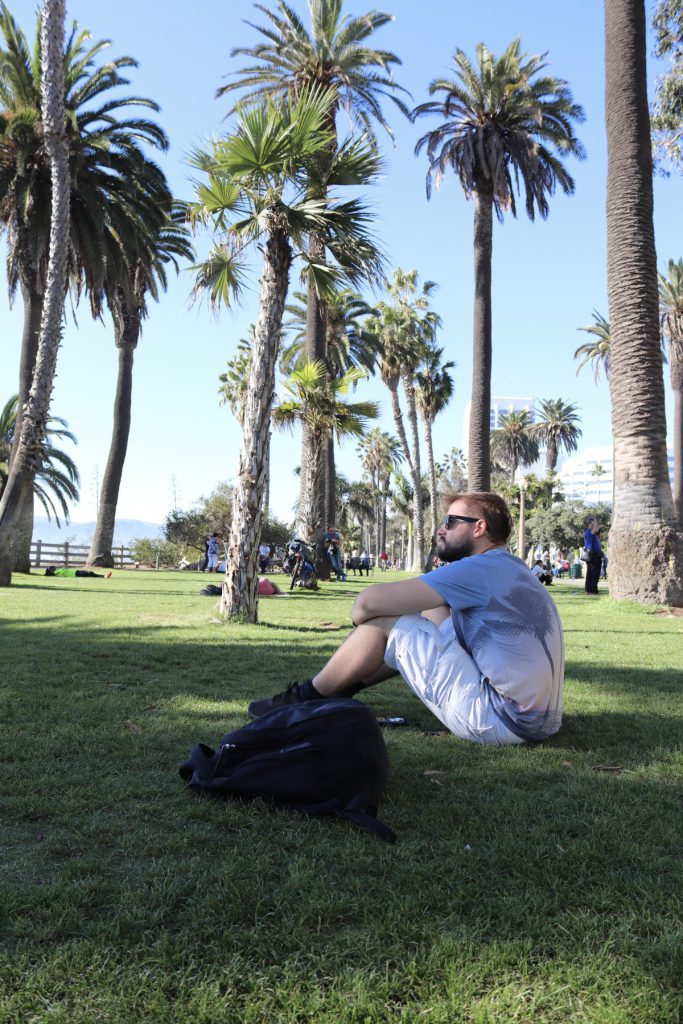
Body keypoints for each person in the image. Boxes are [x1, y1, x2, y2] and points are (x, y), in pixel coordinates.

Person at [248, 492, 564, 746]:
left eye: (450, 521)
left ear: (479, 528)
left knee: (388, 624)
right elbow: (434, 615)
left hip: (499, 719)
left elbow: (367, 602)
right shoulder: (512, 568)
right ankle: (337, 690)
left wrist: (366, 623)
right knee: (423, 619)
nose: (441, 528)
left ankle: (305, 699)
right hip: (540, 721)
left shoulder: (477, 569)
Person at [583, 518, 603, 595]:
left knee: (596, 573)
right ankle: (590, 590)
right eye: (592, 524)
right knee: (592, 573)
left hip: (596, 555)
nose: (594, 525)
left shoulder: (593, 534)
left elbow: (597, 530)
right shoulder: (589, 532)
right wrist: (595, 521)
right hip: (592, 555)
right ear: (589, 524)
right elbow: (596, 529)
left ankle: (594, 590)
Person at [45, 566, 112, 578]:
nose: (53, 568)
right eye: (51, 569)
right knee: (90, 573)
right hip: (76, 574)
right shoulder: (57, 574)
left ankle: (104, 576)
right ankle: (104, 576)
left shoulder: (57, 571)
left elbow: (64, 569)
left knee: (90, 573)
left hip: (76, 571)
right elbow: (63, 571)